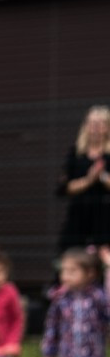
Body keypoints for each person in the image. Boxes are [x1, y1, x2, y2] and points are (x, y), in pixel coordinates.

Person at [57, 105, 110, 254]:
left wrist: (102, 177)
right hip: (80, 217)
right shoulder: (76, 154)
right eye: (91, 123)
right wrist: (89, 179)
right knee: (73, 256)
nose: (95, 128)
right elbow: (64, 187)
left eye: (100, 124)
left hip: (105, 218)